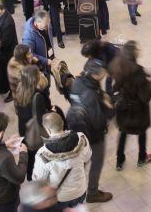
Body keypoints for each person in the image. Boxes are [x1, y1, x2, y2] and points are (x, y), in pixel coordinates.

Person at [66, 59, 115, 203]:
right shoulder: (91, 94)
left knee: (80, 161)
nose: (106, 73)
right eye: (104, 71)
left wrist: (101, 96)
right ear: (96, 74)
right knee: (97, 161)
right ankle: (92, 193)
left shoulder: (78, 81)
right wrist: (109, 108)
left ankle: (74, 189)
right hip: (92, 135)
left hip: (75, 127)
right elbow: (98, 121)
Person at [108, 40, 151, 170]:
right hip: (138, 111)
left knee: (123, 133)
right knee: (141, 134)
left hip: (123, 110)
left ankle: (119, 160)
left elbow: (114, 88)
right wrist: (150, 83)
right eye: (137, 50)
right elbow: (145, 96)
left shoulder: (118, 67)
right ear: (133, 53)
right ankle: (142, 158)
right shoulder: (139, 71)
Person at [32, 112, 92, 207]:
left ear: (48, 130)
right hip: (80, 189)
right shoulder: (81, 138)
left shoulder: (43, 154)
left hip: (60, 197)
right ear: (62, 123)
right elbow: (88, 157)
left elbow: (39, 180)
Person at [0, 0, 18, 94]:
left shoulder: (7, 22)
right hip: (1, 52)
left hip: (6, 53)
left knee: (9, 73)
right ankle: (3, 88)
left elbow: (5, 41)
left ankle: (12, 92)